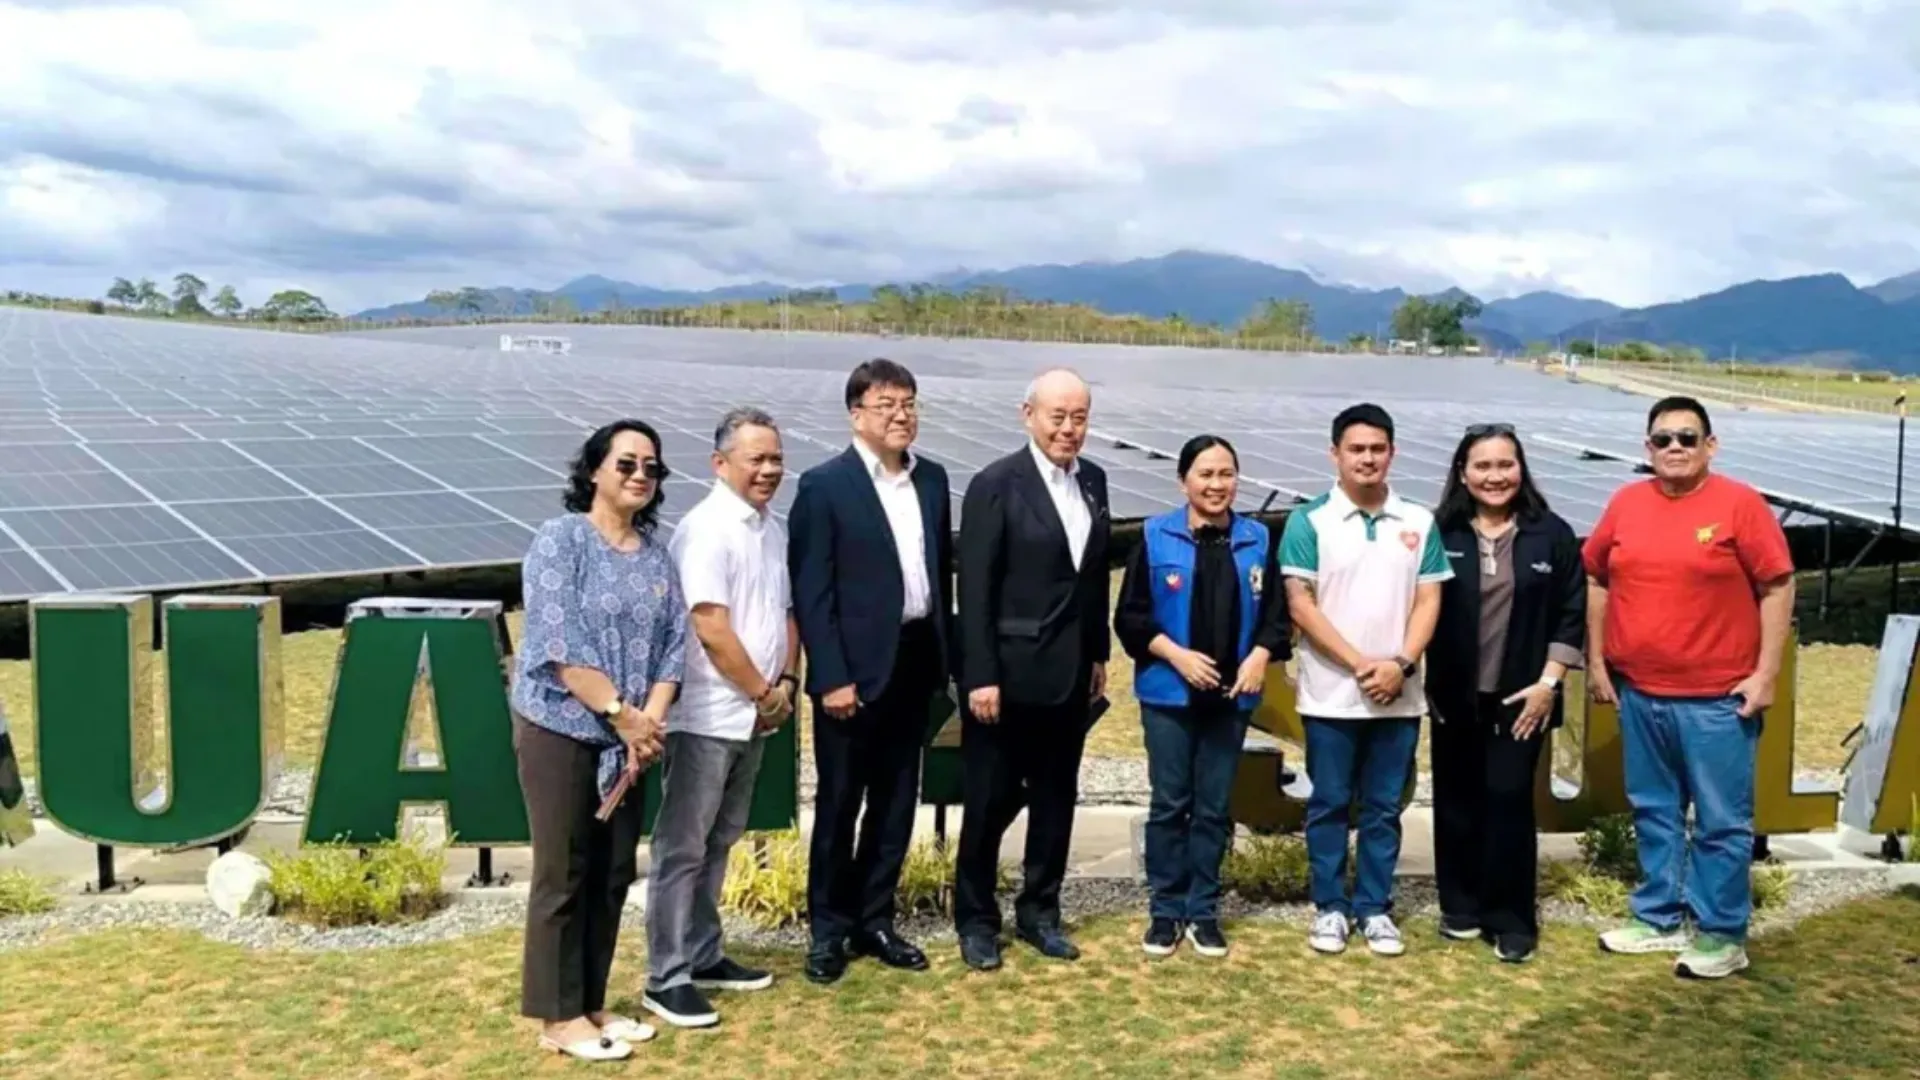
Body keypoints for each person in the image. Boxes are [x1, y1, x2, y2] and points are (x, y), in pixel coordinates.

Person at [1584, 395, 1794, 980]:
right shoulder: (1626, 503)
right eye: (1662, 439)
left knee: (1722, 821)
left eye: (1686, 437)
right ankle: (1658, 918)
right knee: (1655, 811)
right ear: (1646, 448)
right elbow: (1597, 577)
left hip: (1718, 699)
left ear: (1710, 444)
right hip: (1640, 693)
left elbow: (1778, 587)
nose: (1674, 448)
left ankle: (1722, 933)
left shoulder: (1739, 505)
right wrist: (1597, 660)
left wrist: (1766, 673)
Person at [511, 419, 682, 1062]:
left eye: (651, 468)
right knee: (564, 871)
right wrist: (623, 715)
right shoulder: (561, 542)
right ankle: (557, 1016)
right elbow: (562, 646)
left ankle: (589, 1002)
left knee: (612, 872)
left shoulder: (657, 557)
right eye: (627, 464)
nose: (640, 476)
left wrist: (648, 724)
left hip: (631, 740)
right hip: (563, 729)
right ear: (593, 471)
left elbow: (672, 648)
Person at [788, 358, 954, 984]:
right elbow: (813, 590)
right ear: (856, 413)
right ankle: (828, 930)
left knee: (894, 803)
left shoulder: (932, 481)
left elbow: (938, 574)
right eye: (886, 403)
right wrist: (830, 675)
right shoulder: (824, 486)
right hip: (851, 674)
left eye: (909, 402)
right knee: (839, 805)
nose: (901, 414)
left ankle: (875, 918)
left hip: (914, 662)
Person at [643, 407, 801, 1028]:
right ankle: (666, 975)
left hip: (753, 712)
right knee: (682, 846)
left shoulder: (771, 527)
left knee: (719, 840)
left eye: (775, 459)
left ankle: (704, 954)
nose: (768, 470)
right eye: (755, 459)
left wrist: (785, 682)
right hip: (707, 714)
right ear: (720, 464)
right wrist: (765, 692)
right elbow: (710, 628)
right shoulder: (706, 528)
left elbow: (784, 612)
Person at [953, 367, 1111, 971]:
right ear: (1029, 415)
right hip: (1007, 677)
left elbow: (1090, 578)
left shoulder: (1093, 480)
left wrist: (1097, 653)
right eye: (1058, 417)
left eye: (1079, 418)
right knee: (989, 803)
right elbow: (978, 590)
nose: (1069, 429)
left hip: (1070, 675)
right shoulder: (995, 484)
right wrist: (980, 675)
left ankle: (1040, 909)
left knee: (1055, 800)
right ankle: (976, 920)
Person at [1279, 402, 1450, 958]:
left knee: (1383, 808)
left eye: (1378, 448)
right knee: (1328, 802)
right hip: (1332, 695)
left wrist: (1398, 664)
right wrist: (1360, 664)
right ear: (1335, 454)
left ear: (1392, 453)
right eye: (1356, 449)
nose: (1368, 458)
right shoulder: (1309, 521)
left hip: (1399, 696)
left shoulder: (1419, 521)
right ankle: (1330, 906)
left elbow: (1429, 600)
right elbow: (1300, 605)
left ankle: (1374, 907)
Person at [1113, 435, 1290, 959]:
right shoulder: (1153, 536)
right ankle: (1166, 911)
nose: (1217, 485)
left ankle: (1204, 911)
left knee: (1214, 809)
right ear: (1184, 481)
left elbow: (1276, 617)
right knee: (1170, 804)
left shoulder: (1257, 539)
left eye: (1226, 474)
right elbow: (1130, 618)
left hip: (1232, 699)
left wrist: (1260, 655)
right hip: (1170, 697)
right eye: (1206, 474)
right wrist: (1177, 656)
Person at [1425, 423, 1586, 964]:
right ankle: (1461, 906)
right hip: (1453, 695)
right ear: (1463, 474)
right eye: (1483, 466)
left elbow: (1571, 613)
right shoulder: (1439, 532)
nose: (1495, 476)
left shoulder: (1551, 533)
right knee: (1456, 800)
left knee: (1510, 800)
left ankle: (1511, 918)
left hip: (1526, 697)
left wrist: (1548, 684)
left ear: (1521, 468)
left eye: (1505, 464)